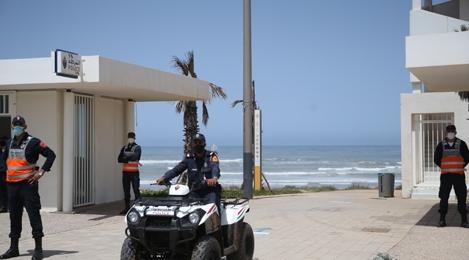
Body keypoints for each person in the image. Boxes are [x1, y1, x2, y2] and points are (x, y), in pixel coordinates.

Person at [0, 116, 56, 260]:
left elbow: (51, 155)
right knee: (14, 217)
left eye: (19, 125)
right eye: (15, 126)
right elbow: (3, 160)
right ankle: (14, 248)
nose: (17, 128)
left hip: (28, 186)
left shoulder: (33, 142)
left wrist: (41, 172)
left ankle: (38, 249)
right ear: (12, 127)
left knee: (33, 215)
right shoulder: (9, 143)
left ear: (25, 127)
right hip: (12, 186)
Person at [156, 133, 221, 208]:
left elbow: (215, 167)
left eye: (200, 142)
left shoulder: (211, 156)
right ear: (192, 144)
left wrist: (214, 178)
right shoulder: (189, 158)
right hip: (194, 191)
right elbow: (176, 170)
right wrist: (165, 177)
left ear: (204, 143)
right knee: (182, 208)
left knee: (212, 207)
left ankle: (217, 219)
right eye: (195, 143)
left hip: (210, 191)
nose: (197, 145)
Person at [434, 124, 469, 228]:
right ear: (446, 133)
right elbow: (436, 159)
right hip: (446, 176)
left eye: (452, 131)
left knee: (462, 198)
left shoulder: (461, 144)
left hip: (458, 175)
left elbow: (467, 158)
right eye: (449, 131)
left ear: (455, 132)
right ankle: (442, 220)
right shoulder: (441, 145)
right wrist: (445, 167)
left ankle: (464, 221)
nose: (450, 133)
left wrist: (460, 166)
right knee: (444, 198)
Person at [117, 132, 142, 215]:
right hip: (125, 173)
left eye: (131, 137)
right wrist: (128, 159)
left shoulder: (137, 147)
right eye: (129, 137)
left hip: (134, 173)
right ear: (128, 138)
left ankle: (138, 208)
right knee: (126, 191)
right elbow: (119, 159)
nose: (130, 139)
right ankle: (126, 208)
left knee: (136, 190)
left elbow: (136, 157)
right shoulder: (124, 147)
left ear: (134, 138)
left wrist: (125, 157)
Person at [0, 137, 8, 213]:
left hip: (9, 172)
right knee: (2, 191)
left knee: (10, 190)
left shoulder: (9, 150)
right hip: (2, 172)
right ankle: (3, 207)